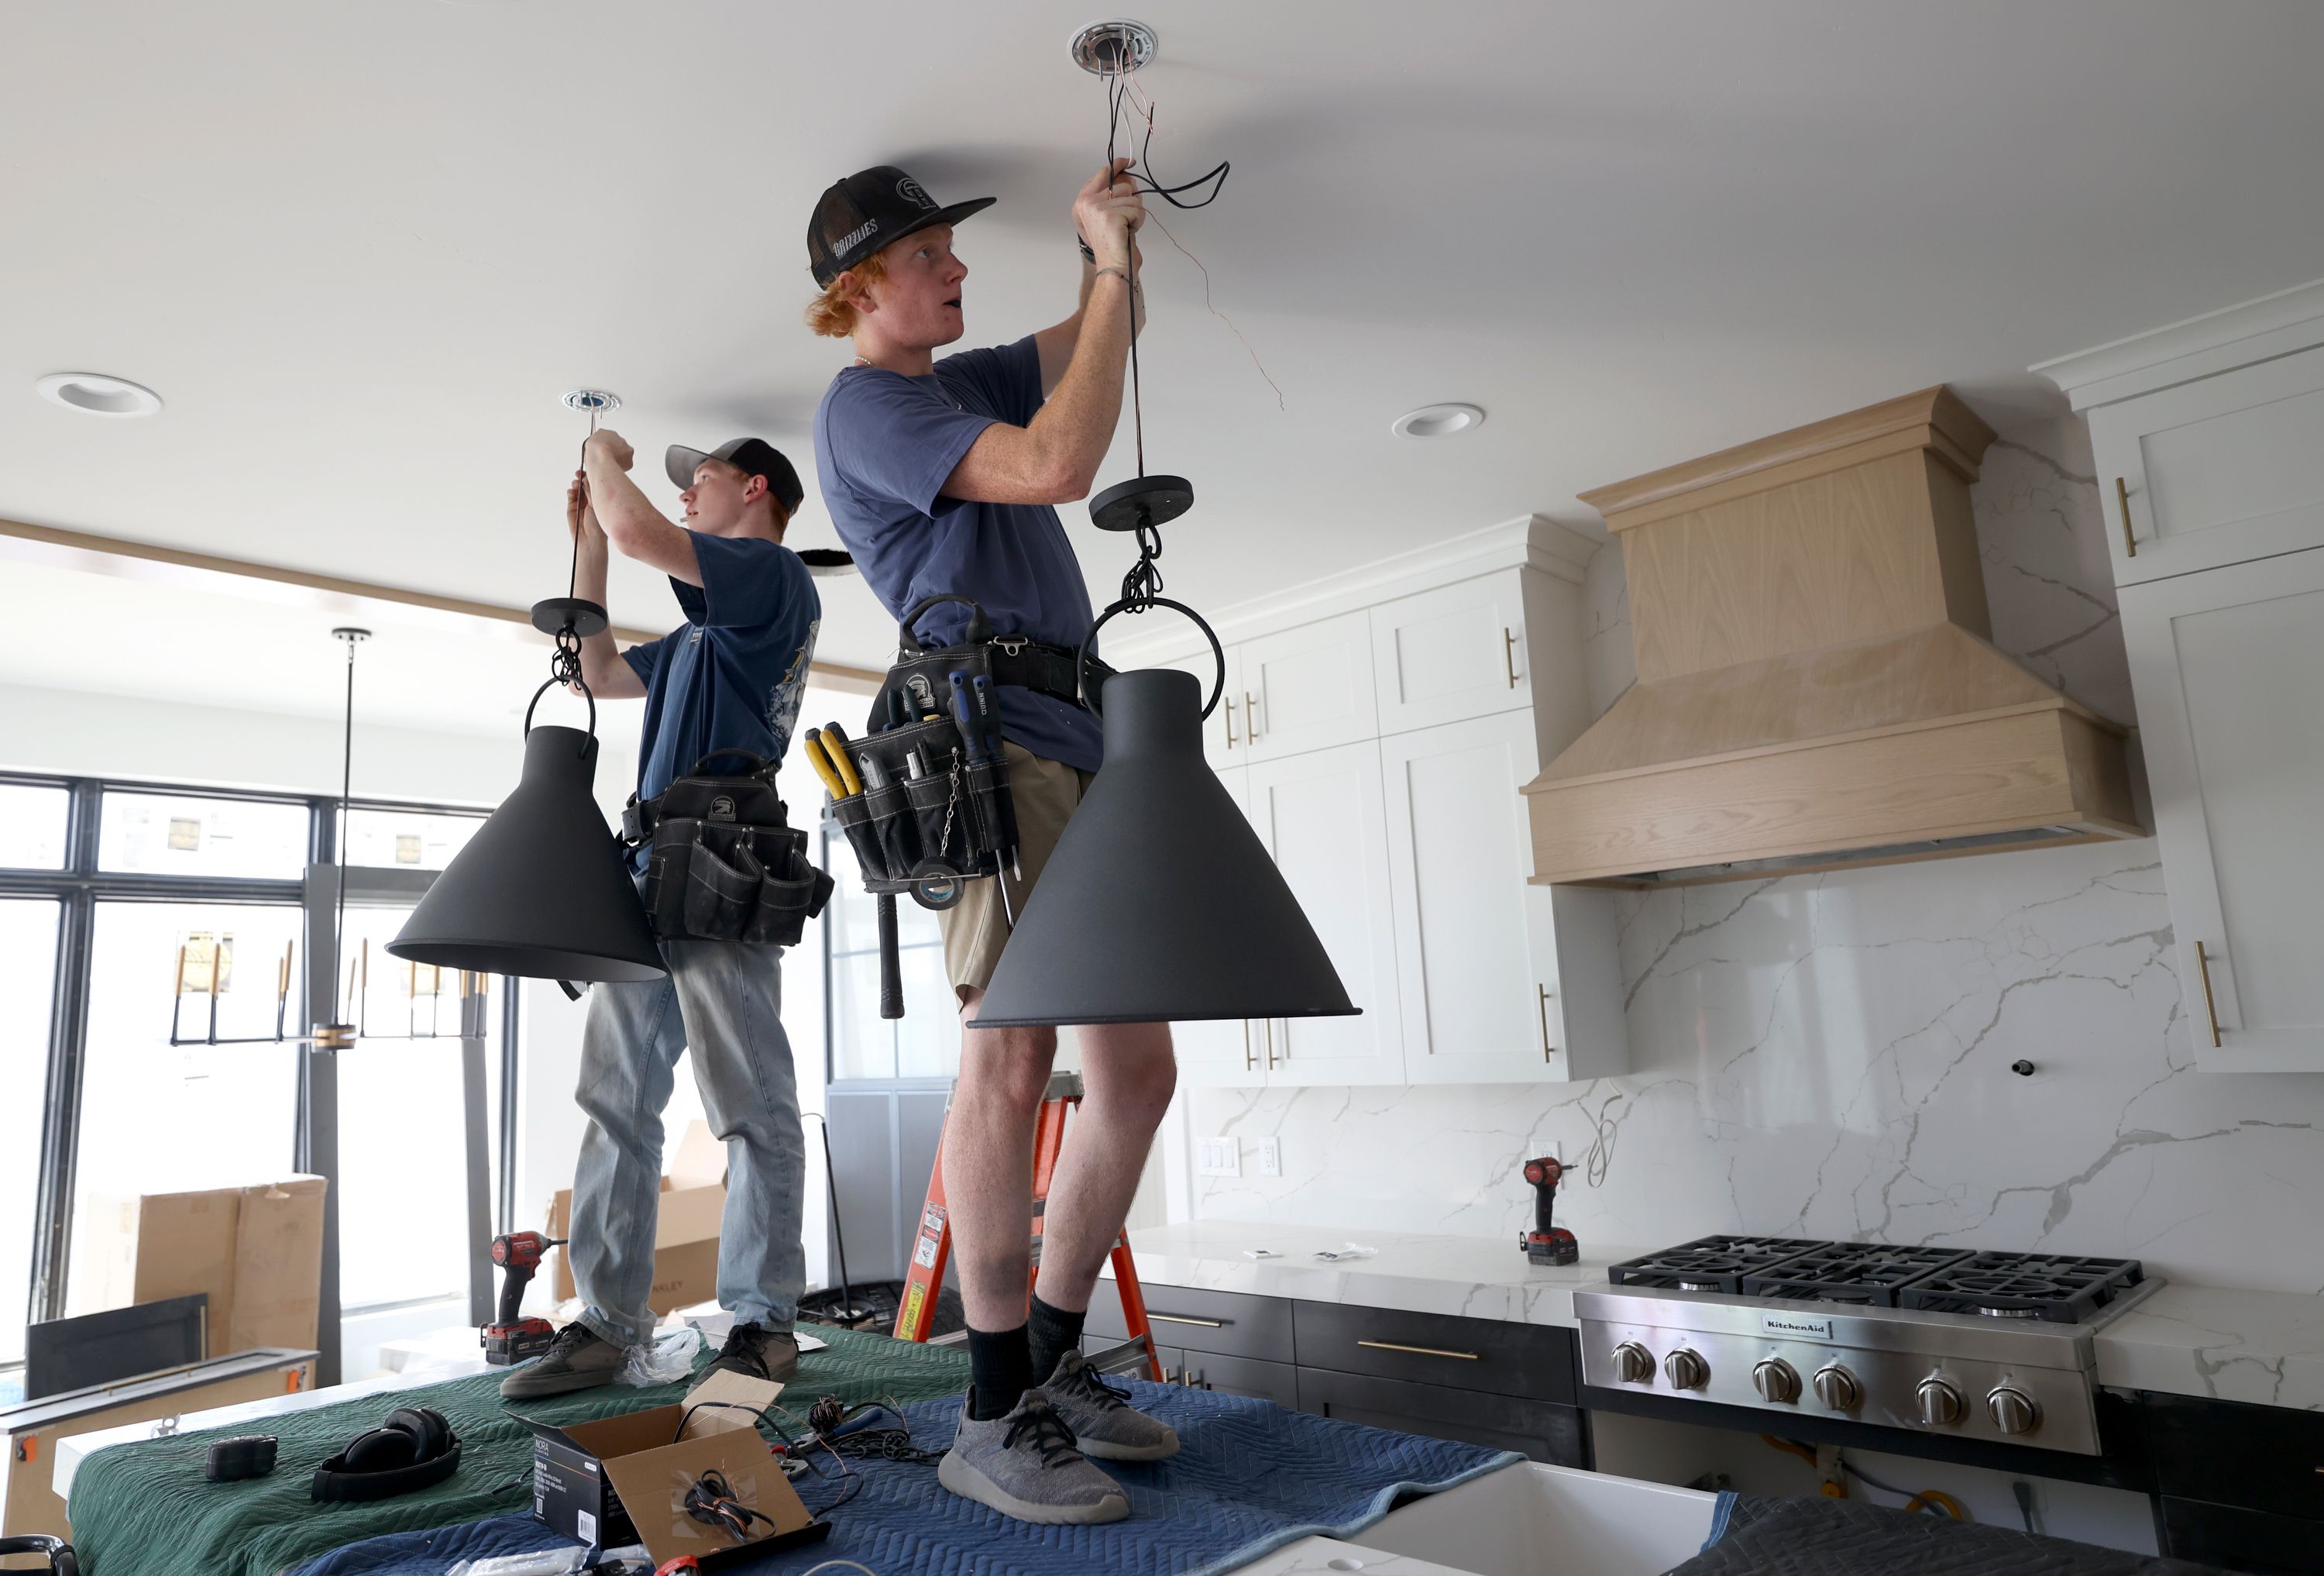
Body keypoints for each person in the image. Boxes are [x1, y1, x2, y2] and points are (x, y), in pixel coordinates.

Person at [806, 160, 1177, 1526]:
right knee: (1009, 1053)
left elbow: (1101, 336)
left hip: (1078, 739)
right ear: (859, 289)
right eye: (930, 255)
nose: (958, 269)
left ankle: (1058, 1360)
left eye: (954, 249)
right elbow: (1065, 466)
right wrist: (1104, 257)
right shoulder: (870, 405)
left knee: (1136, 1067)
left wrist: (1115, 256)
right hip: (989, 739)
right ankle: (987, 1409)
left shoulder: (961, 383)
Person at [500, 432, 822, 1400]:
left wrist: (602, 453)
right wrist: (587, 536)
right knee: (615, 1101)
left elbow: (644, 527)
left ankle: (762, 1323)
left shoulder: (775, 580)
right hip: (651, 863)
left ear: (755, 488)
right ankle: (606, 1322)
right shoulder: (696, 641)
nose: (686, 495)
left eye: (704, 480)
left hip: (722, 858)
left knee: (749, 1105)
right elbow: (597, 670)